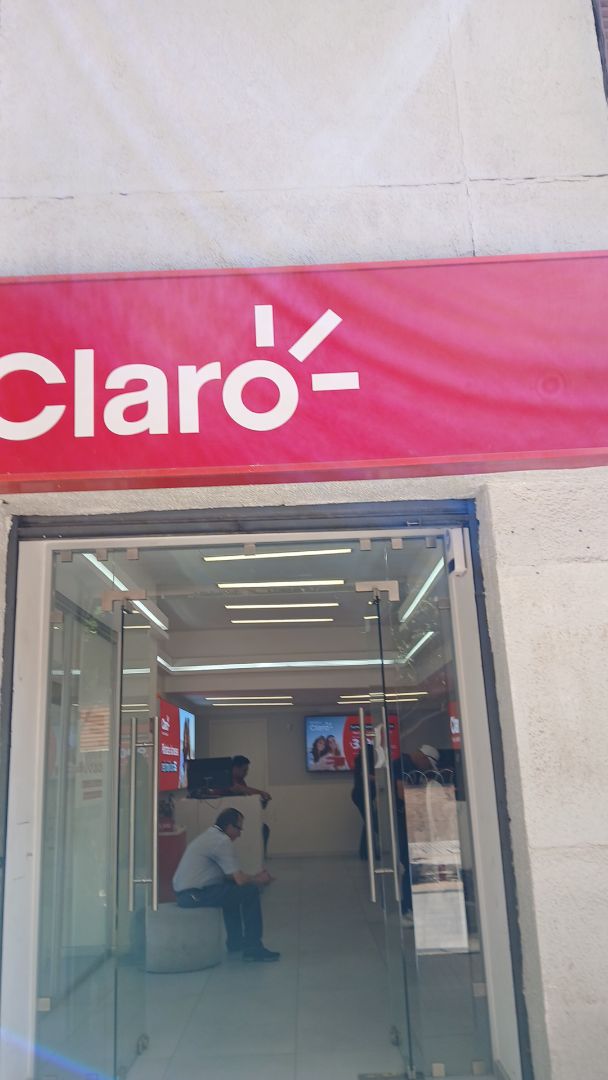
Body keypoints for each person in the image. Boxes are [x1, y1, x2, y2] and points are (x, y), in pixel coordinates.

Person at [172, 807, 280, 963]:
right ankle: (253, 947)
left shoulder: (211, 836)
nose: (239, 834)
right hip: (193, 895)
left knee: (232, 890)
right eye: (238, 829)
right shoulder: (221, 842)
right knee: (250, 891)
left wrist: (253, 877)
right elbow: (240, 879)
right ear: (229, 827)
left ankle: (235, 942)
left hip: (188, 894)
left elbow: (232, 876)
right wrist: (259, 879)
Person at [351, 741, 378, 860]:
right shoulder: (364, 762)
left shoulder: (360, 760)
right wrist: (380, 777)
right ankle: (368, 852)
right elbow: (366, 775)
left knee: (369, 822)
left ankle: (365, 852)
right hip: (362, 795)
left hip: (360, 794)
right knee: (371, 822)